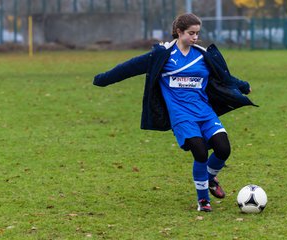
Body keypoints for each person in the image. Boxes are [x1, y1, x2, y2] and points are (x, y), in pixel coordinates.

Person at [93, 13, 257, 212]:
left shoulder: (202, 54)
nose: (195, 37)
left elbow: (224, 76)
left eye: (197, 33)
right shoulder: (162, 54)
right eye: (191, 33)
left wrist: (242, 86)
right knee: (200, 151)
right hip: (181, 115)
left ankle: (209, 177)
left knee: (223, 149)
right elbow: (129, 67)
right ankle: (203, 201)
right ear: (179, 32)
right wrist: (103, 79)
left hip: (205, 112)